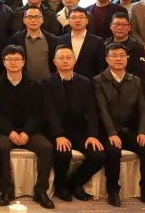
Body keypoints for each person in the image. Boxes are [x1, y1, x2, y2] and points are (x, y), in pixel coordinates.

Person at [94, 43, 145, 208]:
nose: (118, 59)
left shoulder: (136, 81)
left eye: (121, 55)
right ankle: (113, 190)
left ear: (127, 58)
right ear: (107, 59)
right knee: (113, 150)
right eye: (114, 56)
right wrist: (111, 133)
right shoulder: (98, 81)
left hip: (129, 130)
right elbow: (102, 110)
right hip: (107, 131)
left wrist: (142, 131)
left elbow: (143, 109)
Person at [0, 45, 55, 210]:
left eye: (17, 59)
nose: (13, 62)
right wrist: (10, 131)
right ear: (3, 62)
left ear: (23, 62)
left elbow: (39, 113)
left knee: (47, 148)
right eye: (9, 59)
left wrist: (27, 131)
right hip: (5, 131)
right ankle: (7, 191)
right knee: (1, 147)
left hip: (29, 131)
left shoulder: (35, 84)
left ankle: (41, 191)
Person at [43, 45, 106, 203]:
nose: (65, 61)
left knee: (98, 155)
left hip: (78, 130)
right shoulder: (46, 83)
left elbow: (92, 111)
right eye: (61, 58)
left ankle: (75, 183)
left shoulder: (85, 82)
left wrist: (92, 135)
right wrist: (59, 135)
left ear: (74, 60)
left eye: (68, 57)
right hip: (55, 130)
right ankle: (61, 185)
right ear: (54, 62)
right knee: (63, 153)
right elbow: (49, 113)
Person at [8, 6, 55, 82]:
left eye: (36, 17)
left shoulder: (52, 40)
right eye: (29, 17)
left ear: (42, 20)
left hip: (48, 84)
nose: (33, 20)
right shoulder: (15, 40)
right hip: (24, 84)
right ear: (24, 20)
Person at [57, 8, 106, 79]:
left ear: (87, 21)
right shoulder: (61, 40)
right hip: (65, 81)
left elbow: (101, 66)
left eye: (81, 17)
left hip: (90, 82)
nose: (77, 20)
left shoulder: (98, 41)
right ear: (69, 21)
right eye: (73, 17)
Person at [104, 12, 145, 79]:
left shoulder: (137, 47)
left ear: (129, 27)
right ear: (111, 26)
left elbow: (141, 72)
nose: (120, 27)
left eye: (124, 24)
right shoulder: (104, 45)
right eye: (116, 24)